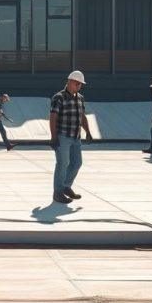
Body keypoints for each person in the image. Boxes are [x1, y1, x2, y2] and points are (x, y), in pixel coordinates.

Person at [50, 70, 94, 204]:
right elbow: (53, 117)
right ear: (69, 82)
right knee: (62, 163)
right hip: (62, 136)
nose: (78, 86)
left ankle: (66, 187)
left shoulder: (80, 98)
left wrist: (88, 132)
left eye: (80, 84)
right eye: (76, 83)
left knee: (76, 163)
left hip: (76, 137)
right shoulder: (59, 97)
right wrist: (54, 136)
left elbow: (82, 116)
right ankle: (57, 193)